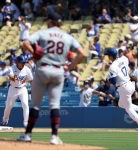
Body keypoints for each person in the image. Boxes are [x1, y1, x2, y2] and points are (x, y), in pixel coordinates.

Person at [17, 14, 85, 144]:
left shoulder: (43, 33)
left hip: (42, 68)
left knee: (35, 105)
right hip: (58, 70)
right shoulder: (67, 36)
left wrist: (34, 53)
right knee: (54, 104)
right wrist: (69, 67)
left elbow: (25, 43)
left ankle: (28, 135)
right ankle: (54, 137)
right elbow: (82, 54)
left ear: (49, 21)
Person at [105, 48, 138, 131]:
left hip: (124, 87)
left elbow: (113, 81)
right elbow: (127, 68)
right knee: (121, 104)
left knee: (128, 108)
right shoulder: (124, 58)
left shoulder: (112, 66)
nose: (108, 57)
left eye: (108, 56)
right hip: (130, 83)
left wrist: (109, 78)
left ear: (111, 56)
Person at [1, 55, 33, 127]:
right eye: (21, 62)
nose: (23, 64)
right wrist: (14, 78)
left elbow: (31, 79)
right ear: (17, 62)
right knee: (8, 106)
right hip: (13, 88)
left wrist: (26, 80)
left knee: (25, 105)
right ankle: (5, 120)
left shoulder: (27, 69)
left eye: (23, 62)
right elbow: (11, 77)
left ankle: (26, 122)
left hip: (22, 89)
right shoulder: (12, 68)